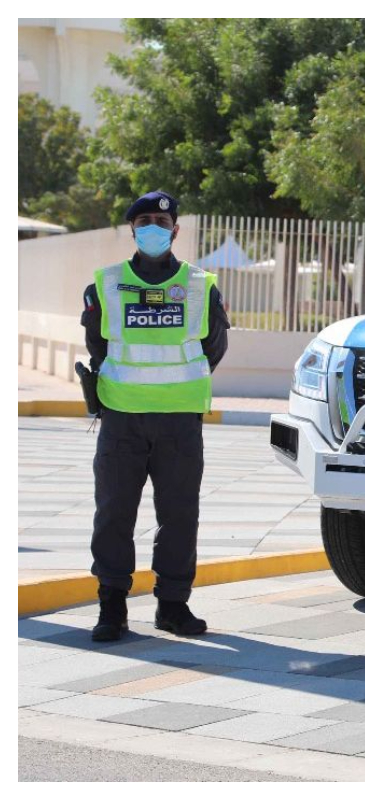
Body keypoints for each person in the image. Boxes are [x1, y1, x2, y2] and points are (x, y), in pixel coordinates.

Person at [81, 190, 230, 641]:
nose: (153, 228)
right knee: (113, 513)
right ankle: (112, 608)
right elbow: (97, 345)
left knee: (180, 515)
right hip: (122, 417)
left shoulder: (202, 285)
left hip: (179, 420)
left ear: (175, 230)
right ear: (132, 228)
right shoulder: (104, 285)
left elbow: (214, 347)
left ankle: (172, 606)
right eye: (144, 220)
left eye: (161, 223)